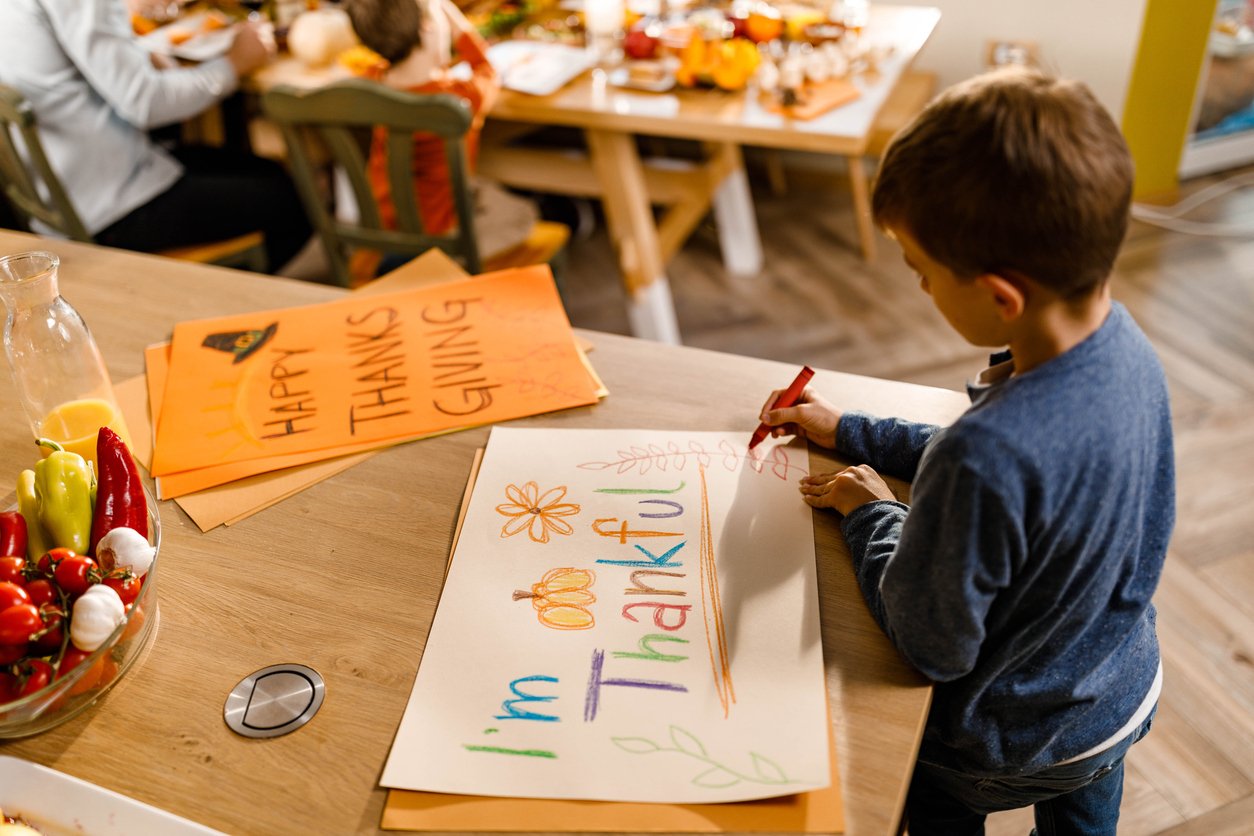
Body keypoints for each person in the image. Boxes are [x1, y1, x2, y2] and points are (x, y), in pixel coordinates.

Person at [758, 66, 1173, 836]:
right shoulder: (1127, 349)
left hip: (997, 742)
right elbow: (1022, 479)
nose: (918, 284)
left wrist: (871, 515)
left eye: (920, 273)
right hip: (1117, 696)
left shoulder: (984, 457)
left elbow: (931, 646)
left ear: (999, 296)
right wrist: (853, 430)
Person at [0, 0, 311, 274]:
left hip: (64, 197)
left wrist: (140, 56)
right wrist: (235, 63)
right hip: (114, 209)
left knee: (260, 170)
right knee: (298, 199)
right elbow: (146, 103)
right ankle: (218, 303)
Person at [343, 0, 540, 281]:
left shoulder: (370, 84)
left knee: (479, 192)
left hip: (384, 228)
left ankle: (397, 258)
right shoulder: (459, 98)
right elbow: (487, 69)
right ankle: (446, 264)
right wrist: (459, 27)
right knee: (523, 213)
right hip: (440, 234)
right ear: (429, 28)